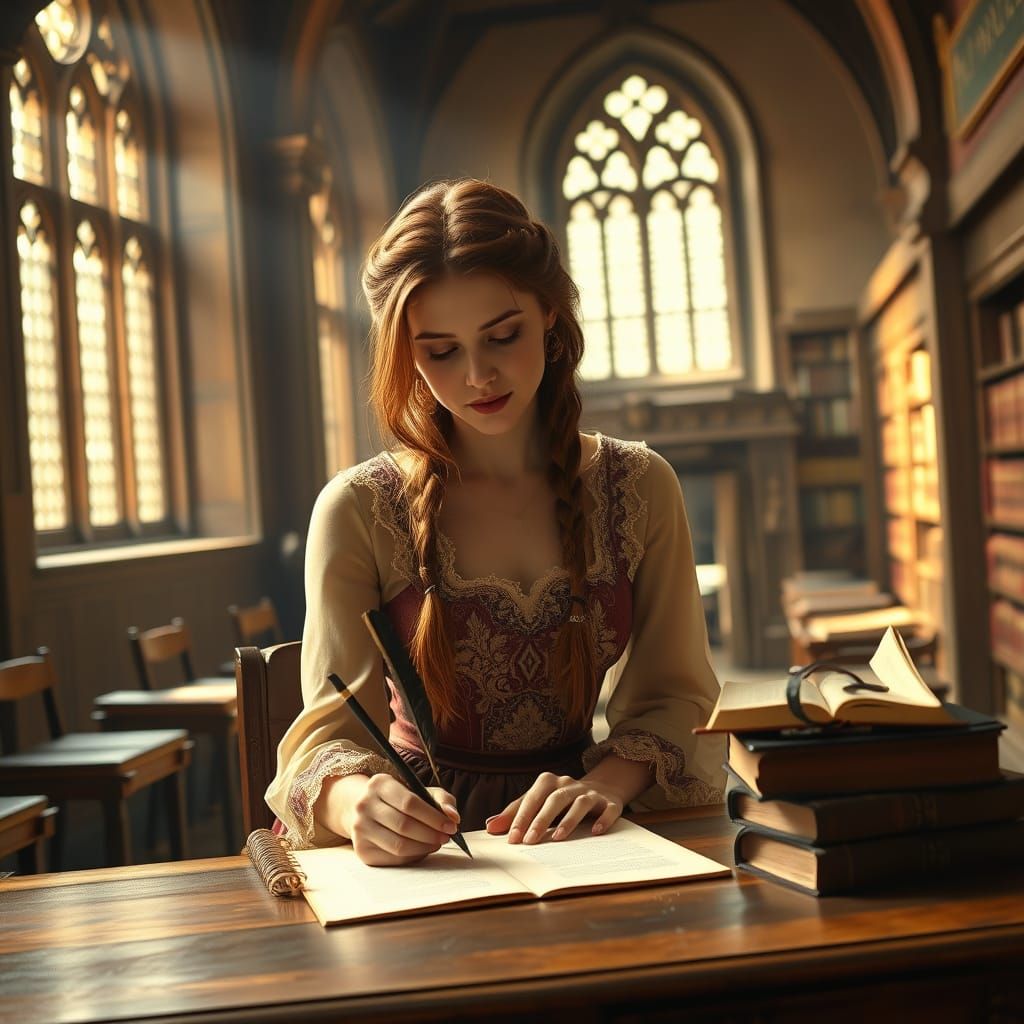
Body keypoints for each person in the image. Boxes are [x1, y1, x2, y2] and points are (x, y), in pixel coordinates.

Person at [265, 178, 724, 866]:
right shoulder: (359, 508)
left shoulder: (640, 486)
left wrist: (605, 787)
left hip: (584, 833)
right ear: (404, 353)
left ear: (548, 312)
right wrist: (356, 802)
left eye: (501, 335)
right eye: (440, 351)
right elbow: (330, 736)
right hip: (419, 849)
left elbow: (677, 695)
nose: (479, 375)